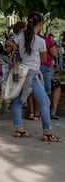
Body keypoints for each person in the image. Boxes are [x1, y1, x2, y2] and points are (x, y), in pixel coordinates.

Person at [10, 12, 61, 142]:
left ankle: (19, 129)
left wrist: (18, 50)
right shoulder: (40, 41)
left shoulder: (20, 37)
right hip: (32, 74)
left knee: (17, 101)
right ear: (40, 24)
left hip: (20, 72)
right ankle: (47, 133)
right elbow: (44, 59)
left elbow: (10, 43)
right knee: (45, 102)